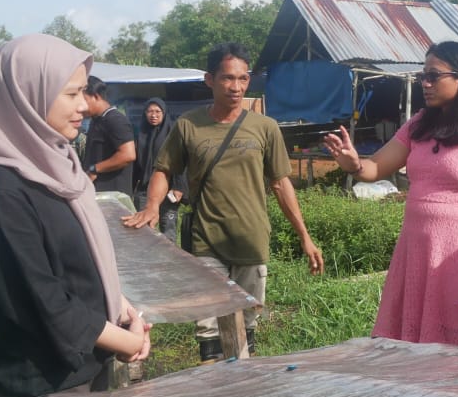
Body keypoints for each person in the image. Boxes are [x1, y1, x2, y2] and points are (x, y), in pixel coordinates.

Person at [0, 34, 151, 397]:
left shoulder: (56, 163)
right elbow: (40, 298)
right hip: (37, 387)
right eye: (70, 94)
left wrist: (124, 310)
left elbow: (82, 261)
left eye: (83, 93)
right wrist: (129, 343)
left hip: (86, 363)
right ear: (26, 95)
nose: (84, 107)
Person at [123, 42, 324, 362]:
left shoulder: (265, 128)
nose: (236, 87)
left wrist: (305, 236)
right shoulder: (189, 126)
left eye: (243, 79)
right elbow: (164, 169)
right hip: (206, 239)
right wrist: (152, 206)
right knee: (210, 328)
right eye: (228, 78)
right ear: (210, 80)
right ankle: (213, 390)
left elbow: (280, 183)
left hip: (251, 238)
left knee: (247, 320)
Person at [324, 41, 458, 348]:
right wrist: (354, 164)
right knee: (415, 349)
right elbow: (375, 167)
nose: (424, 84)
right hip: (417, 256)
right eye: (422, 77)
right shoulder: (419, 125)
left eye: (433, 76)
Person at [132, 98, 186, 243]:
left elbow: (180, 160)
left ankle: (170, 261)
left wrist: (178, 186)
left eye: (157, 111)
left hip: (169, 190)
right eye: (149, 111)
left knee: (168, 228)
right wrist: (132, 188)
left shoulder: (173, 133)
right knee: (144, 228)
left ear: (164, 113)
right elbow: (136, 164)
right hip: (145, 189)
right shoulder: (141, 134)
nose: (153, 115)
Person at [82, 75, 136, 196]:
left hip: (113, 197)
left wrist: (94, 169)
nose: (80, 106)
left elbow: (128, 155)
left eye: (83, 100)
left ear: (96, 96)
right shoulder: (96, 120)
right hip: (97, 194)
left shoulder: (115, 120)